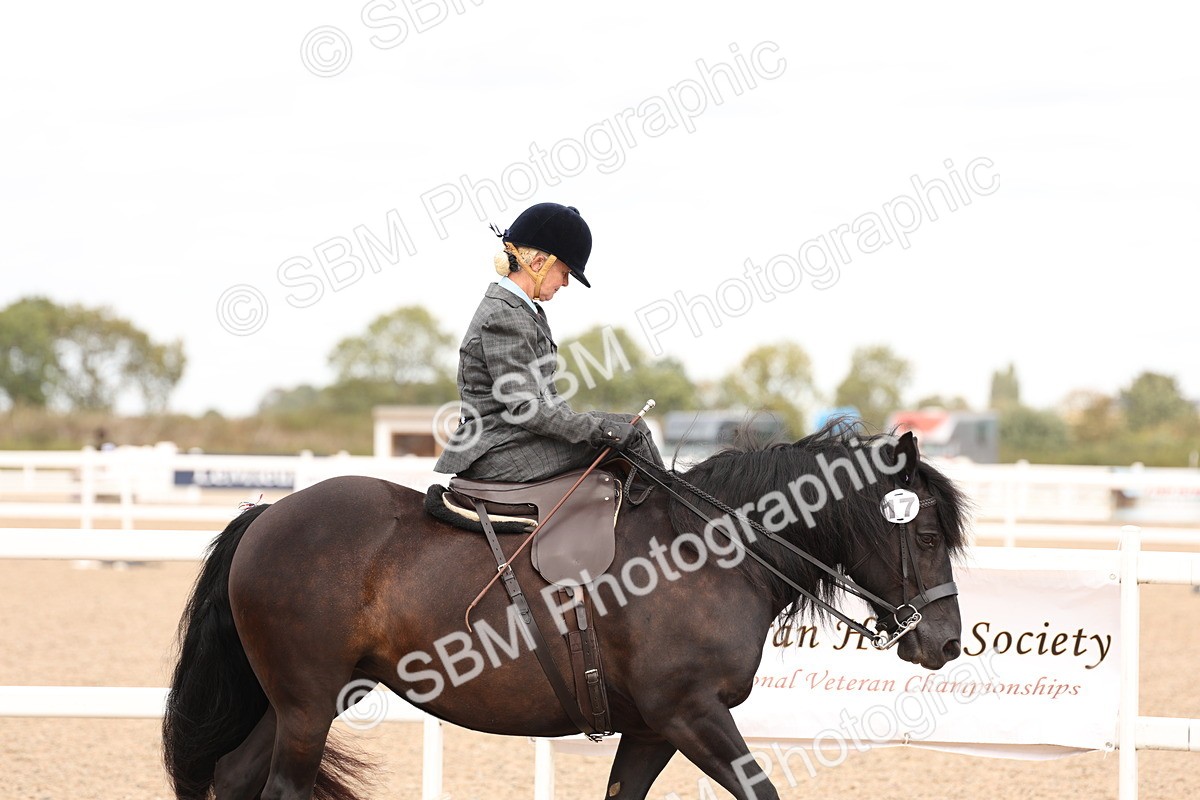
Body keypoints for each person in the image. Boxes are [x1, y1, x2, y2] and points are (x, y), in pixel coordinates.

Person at [434, 202, 664, 482]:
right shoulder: (504, 316)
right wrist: (601, 430)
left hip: (517, 440)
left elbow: (549, 399)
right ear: (540, 264)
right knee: (634, 436)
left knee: (632, 426)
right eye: (565, 273)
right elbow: (526, 409)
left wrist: (595, 425)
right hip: (496, 451)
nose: (565, 283)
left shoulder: (524, 311)